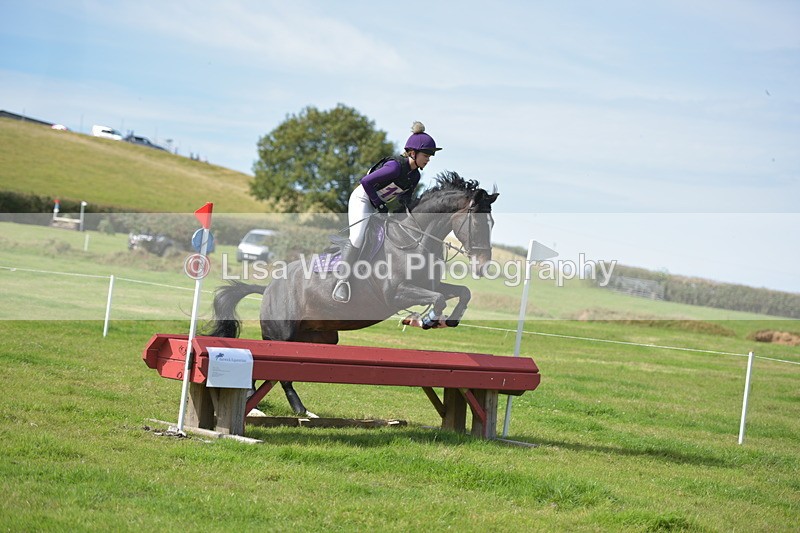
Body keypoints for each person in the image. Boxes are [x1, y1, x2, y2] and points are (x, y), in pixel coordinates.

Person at [332, 121, 442, 303]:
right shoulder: (395, 167)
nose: (428, 159)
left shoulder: (415, 176)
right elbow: (366, 182)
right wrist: (380, 205)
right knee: (358, 237)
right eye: (426, 155)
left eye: (430, 156)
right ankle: (341, 281)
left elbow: (404, 200)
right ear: (413, 153)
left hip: (378, 205)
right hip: (363, 198)